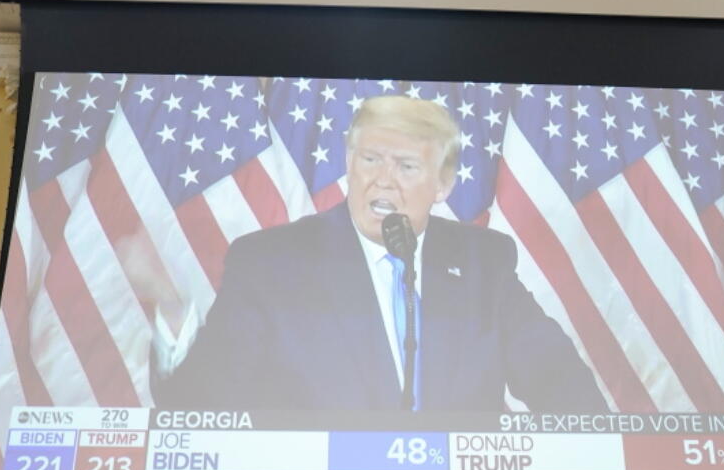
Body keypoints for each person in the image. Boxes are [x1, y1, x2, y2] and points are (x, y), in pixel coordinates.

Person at [150, 94, 605, 415]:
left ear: (442, 184)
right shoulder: (272, 262)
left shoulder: (483, 262)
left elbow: (563, 385)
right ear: (349, 163)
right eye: (370, 160)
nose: (382, 180)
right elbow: (200, 405)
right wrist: (173, 317)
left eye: (406, 166)